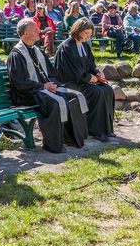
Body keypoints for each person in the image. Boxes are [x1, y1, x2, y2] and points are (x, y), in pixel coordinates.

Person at [7, 19, 88, 153]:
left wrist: (54, 85)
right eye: (35, 29)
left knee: (74, 96)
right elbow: (20, 82)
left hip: (42, 89)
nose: (39, 31)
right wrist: (43, 87)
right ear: (26, 33)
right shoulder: (16, 55)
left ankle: (72, 138)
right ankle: (54, 145)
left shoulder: (37, 51)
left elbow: (52, 73)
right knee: (55, 103)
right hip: (26, 94)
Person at [54, 19, 115, 142]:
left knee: (107, 89)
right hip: (70, 83)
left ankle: (106, 129)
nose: (88, 37)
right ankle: (95, 130)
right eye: (86, 33)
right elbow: (70, 71)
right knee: (96, 92)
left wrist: (97, 73)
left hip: (83, 81)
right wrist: (89, 78)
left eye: (90, 34)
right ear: (78, 31)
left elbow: (91, 66)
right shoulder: (66, 47)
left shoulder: (85, 46)